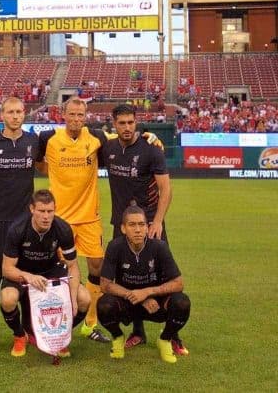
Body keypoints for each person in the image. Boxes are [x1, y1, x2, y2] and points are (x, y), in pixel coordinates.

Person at [100, 104, 186, 354]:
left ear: (136, 122)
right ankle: (138, 332)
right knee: (127, 277)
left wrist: (157, 221)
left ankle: (173, 335)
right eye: (122, 123)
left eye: (130, 122)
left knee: (164, 276)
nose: (127, 127)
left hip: (149, 225)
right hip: (121, 224)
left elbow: (165, 189)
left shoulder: (151, 148)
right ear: (113, 125)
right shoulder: (108, 147)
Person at [37, 97, 112, 343]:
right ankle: (57, 321)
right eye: (72, 114)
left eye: (81, 115)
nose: (76, 119)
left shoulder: (96, 138)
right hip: (60, 220)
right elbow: (39, 164)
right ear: (63, 114)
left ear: (86, 116)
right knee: (61, 272)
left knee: (97, 267)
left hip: (90, 217)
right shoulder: (49, 139)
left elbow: (125, 137)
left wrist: (148, 137)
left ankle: (89, 324)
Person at [0, 96, 44, 347]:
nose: (15, 116)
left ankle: (27, 329)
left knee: (24, 276)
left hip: (26, 221)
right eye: (10, 112)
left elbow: (45, 167)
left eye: (19, 112)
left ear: (25, 114)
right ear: (2, 115)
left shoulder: (33, 141)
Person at [0, 190, 91, 357]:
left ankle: (58, 336)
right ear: (32, 209)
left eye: (50, 211)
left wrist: (72, 298)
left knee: (84, 298)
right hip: (23, 272)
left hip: (51, 270)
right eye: (41, 211)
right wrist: (29, 277)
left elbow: (72, 266)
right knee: (7, 299)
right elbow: (7, 269)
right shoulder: (17, 229)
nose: (46, 216)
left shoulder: (63, 228)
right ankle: (20, 335)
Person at [97, 206, 191, 363]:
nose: (138, 230)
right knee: (104, 305)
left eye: (142, 224)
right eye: (132, 225)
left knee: (182, 302)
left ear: (148, 228)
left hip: (156, 304)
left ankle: (165, 339)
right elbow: (105, 285)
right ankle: (118, 337)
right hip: (129, 303)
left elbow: (179, 283)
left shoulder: (159, 247)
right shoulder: (114, 246)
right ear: (123, 228)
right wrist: (138, 296)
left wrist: (147, 292)